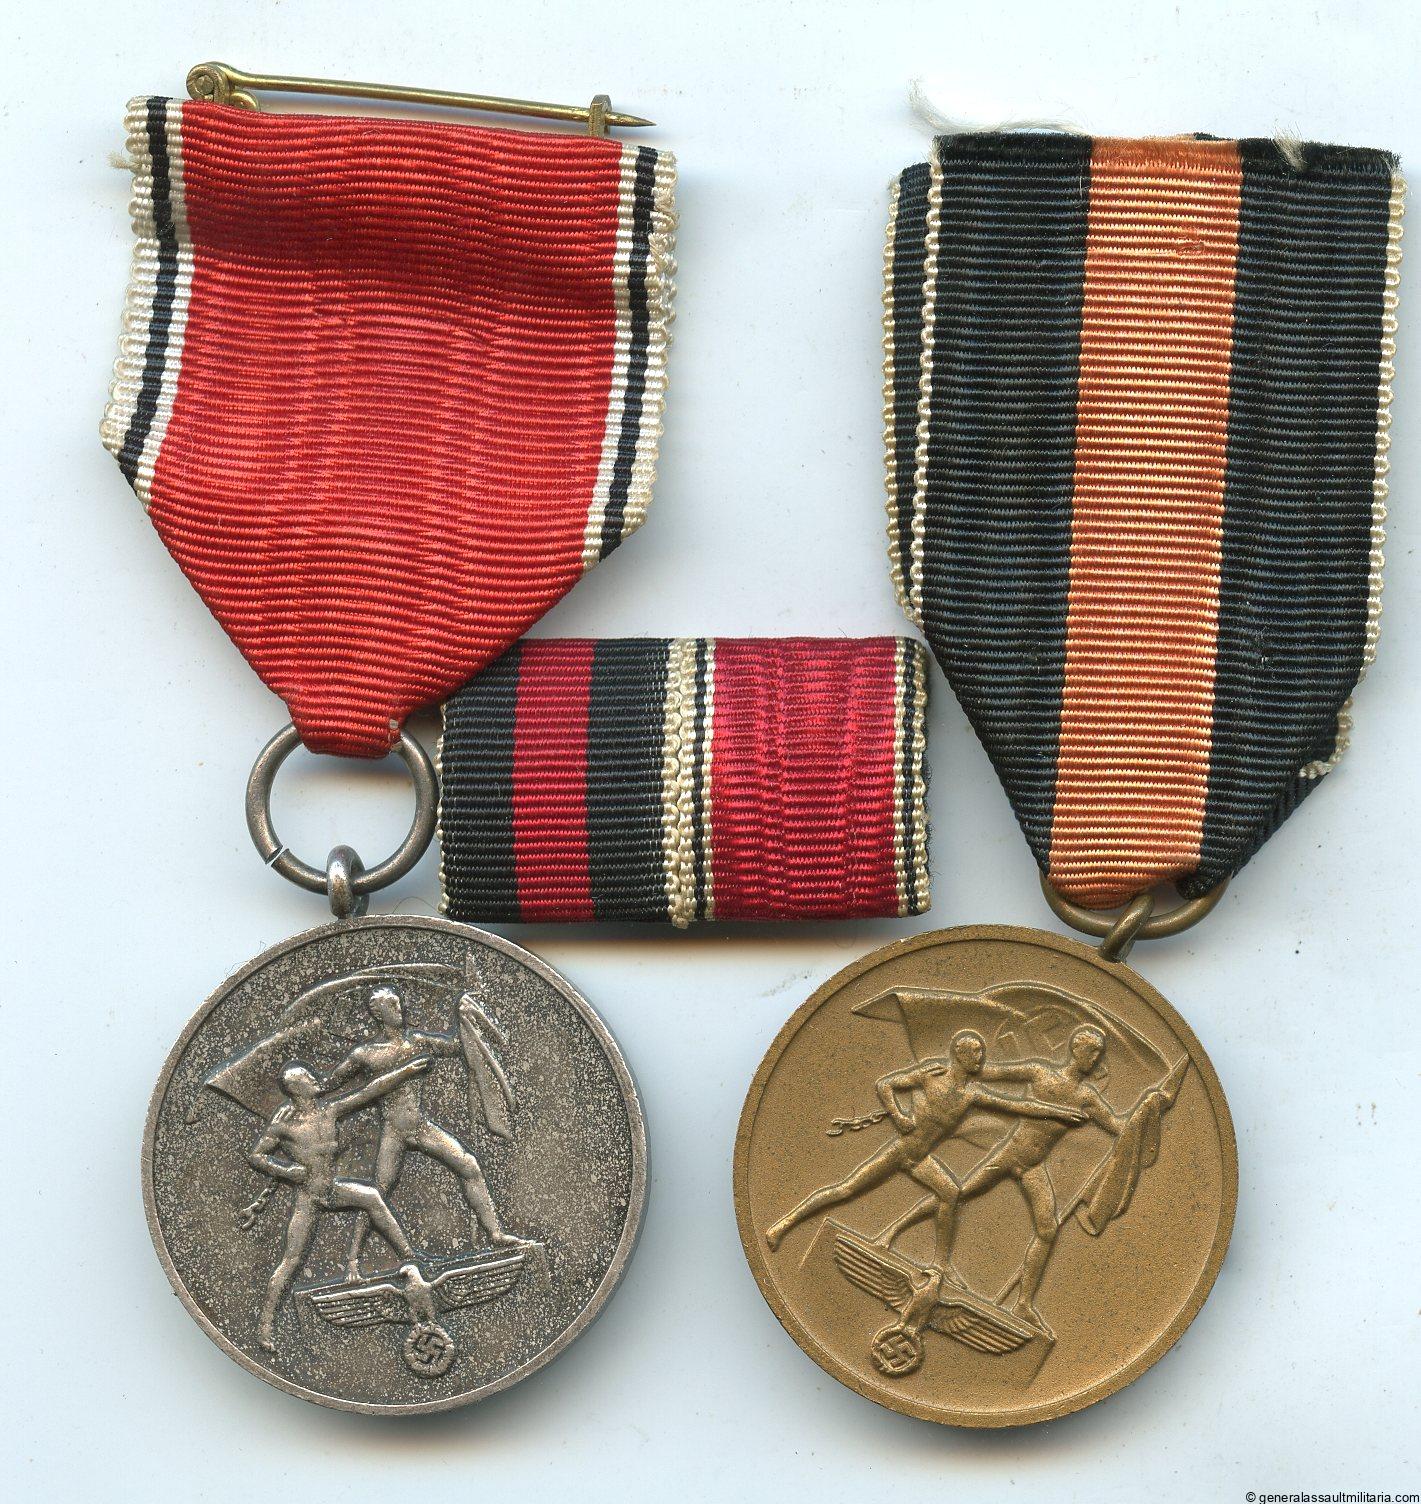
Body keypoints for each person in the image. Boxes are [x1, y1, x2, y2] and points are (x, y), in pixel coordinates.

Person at [764, 1029, 1087, 1271]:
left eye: (981, 1054)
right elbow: (886, 1085)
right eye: (976, 1053)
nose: (980, 1059)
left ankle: (939, 1265)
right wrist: (898, 1116)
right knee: (847, 1189)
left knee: (950, 1193)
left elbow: (1018, 1105)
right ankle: (785, 1225)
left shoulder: (972, 1094)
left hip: (920, 1158)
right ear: (960, 1055)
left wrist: (1058, 1112)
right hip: (902, 1150)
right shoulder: (932, 1075)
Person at [893, 1025, 1125, 1330]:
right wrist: (946, 1070)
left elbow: (1117, 1126)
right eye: (1092, 1051)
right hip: (1009, 1154)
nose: (1095, 1059)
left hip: (1033, 1166)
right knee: (957, 1194)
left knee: (1048, 1229)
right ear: (1076, 1049)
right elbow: (987, 1073)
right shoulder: (1039, 1072)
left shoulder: (1087, 1097)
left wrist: (1149, 1109)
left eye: (1099, 1054)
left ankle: (1024, 1304)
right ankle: (891, 1234)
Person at [325, 987, 518, 1279]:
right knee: (377, 1194)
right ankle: (352, 1261)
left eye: (399, 1004)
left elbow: (458, 1048)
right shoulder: (364, 1055)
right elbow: (330, 1084)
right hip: (394, 1133)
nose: (400, 1009)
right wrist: (300, 1099)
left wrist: (464, 1018)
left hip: (421, 1126)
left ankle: (495, 1234)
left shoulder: (417, 1041)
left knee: (469, 1165)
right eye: (393, 1006)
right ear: (379, 1014)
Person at [249, 1056, 429, 1351]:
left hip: (332, 1189)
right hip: (309, 1196)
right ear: (297, 1089)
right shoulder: (284, 1125)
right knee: (291, 1261)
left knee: (371, 1197)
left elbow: (369, 1091)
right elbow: (256, 1156)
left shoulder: (328, 1111)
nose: (314, 1078)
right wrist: (286, 1171)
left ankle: (410, 1255)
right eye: (307, 1077)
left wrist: (405, 1071)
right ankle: (266, 1326)